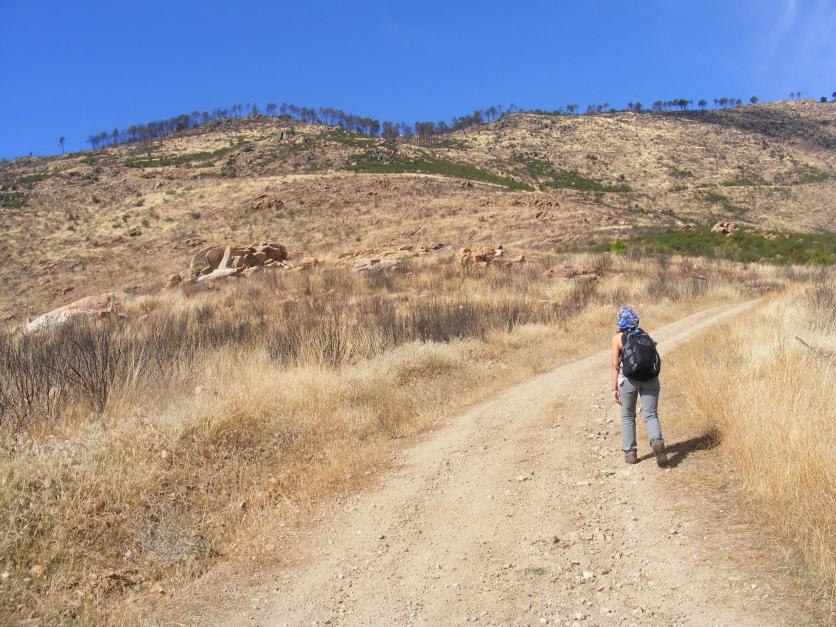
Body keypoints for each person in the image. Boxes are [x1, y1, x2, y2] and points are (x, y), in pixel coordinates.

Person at [610, 306, 668, 466]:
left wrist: (614, 388)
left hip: (629, 380)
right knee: (651, 414)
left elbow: (615, 365)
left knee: (628, 415)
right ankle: (657, 442)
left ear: (620, 322)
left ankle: (630, 453)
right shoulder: (644, 334)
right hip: (650, 379)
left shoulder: (617, 338)